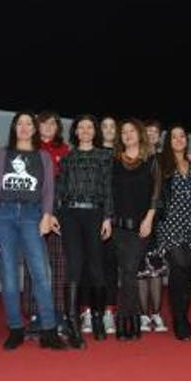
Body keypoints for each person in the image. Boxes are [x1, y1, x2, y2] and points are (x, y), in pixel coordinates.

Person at [0, 112, 67, 350]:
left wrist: (47, 216)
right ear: (14, 128)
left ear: (35, 129)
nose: (25, 127)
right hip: (3, 215)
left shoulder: (43, 157)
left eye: (29, 123)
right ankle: (16, 328)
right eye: (20, 123)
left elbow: (48, 189)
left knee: (41, 272)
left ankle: (49, 330)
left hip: (32, 215)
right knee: (8, 274)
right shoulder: (1, 154)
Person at [55, 114, 114, 347]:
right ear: (76, 132)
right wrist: (54, 214)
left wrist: (108, 217)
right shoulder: (68, 158)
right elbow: (60, 188)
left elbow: (108, 188)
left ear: (95, 131)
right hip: (70, 215)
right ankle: (72, 322)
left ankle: (98, 318)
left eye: (90, 127)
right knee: (75, 266)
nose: (86, 130)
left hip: (95, 214)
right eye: (82, 127)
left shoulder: (104, 156)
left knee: (97, 267)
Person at [111, 119, 161, 340]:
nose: (127, 135)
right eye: (124, 132)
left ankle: (126, 320)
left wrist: (149, 218)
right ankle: (129, 321)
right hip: (117, 228)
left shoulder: (151, 161)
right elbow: (108, 194)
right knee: (126, 273)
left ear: (139, 134)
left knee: (130, 271)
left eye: (131, 131)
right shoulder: (114, 161)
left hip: (140, 227)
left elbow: (156, 194)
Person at [155, 125, 191, 341]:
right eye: (173, 137)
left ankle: (183, 316)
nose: (178, 139)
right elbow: (155, 193)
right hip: (170, 222)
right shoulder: (161, 164)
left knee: (188, 270)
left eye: (182, 136)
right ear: (168, 141)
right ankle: (179, 320)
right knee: (179, 266)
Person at [138, 119, 167, 332]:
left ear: (160, 136)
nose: (151, 135)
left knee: (156, 268)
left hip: (160, 219)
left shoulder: (166, 159)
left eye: (155, 132)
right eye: (147, 131)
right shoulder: (136, 157)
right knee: (140, 267)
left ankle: (156, 314)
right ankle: (142, 316)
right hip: (137, 217)